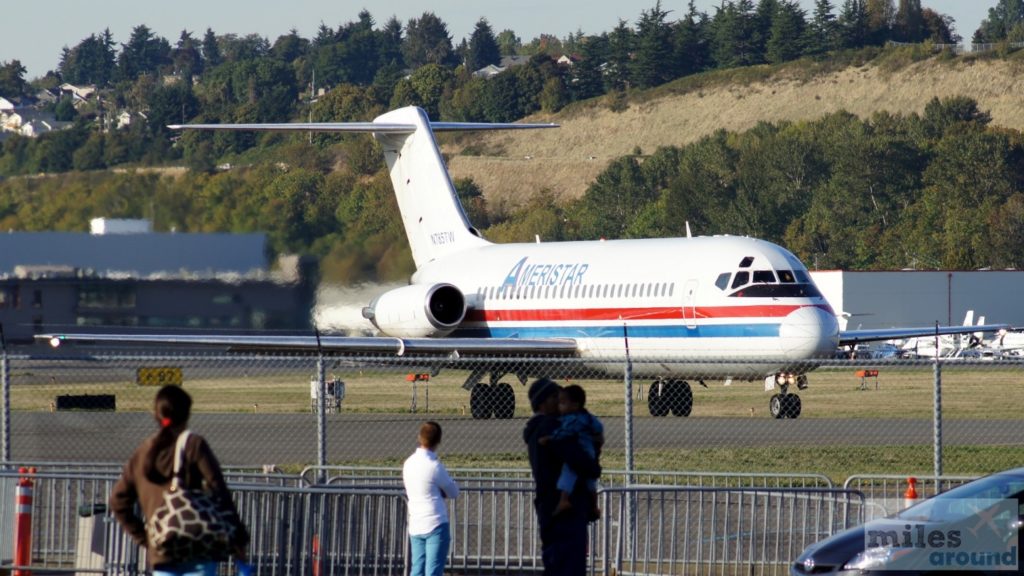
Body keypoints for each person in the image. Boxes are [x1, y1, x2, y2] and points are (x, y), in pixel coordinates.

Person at [110, 385, 249, 576]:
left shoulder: (143, 452)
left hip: (163, 553)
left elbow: (118, 501)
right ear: (187, 414)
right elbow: (219, 491)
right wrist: (238, 538)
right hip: (198, 550)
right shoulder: (193, 445)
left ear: (156, 414)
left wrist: (147, 539)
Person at [523, 378, 602, 576]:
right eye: (554, 397)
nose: (559, 400)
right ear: (542, 403)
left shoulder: (541, 428)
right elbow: (578, 459)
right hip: (564, 509)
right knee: (567, 564)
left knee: (558, 562)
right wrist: (593, 464)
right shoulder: (550, 428)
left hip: (551, 504)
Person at [402, 421, 459, 576]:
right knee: (433, 570)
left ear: (420, 438)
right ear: (438, 440)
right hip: (435, 523)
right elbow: (453, 491)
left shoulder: (408, 463)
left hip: (416, 523)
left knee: (417, 569)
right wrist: (441, 492)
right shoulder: (434, 466)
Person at [543, 384, 604, 519]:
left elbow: (564, 432)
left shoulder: (572, 419)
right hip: (590, 453)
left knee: (568, 473)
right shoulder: (588, 417)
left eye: (563, 403)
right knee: (590, 482)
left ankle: (564, 500)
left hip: (578, 453)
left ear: (575, 405)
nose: (559, 406)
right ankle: (594, 507)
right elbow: (599, 427)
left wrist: (549, 438)